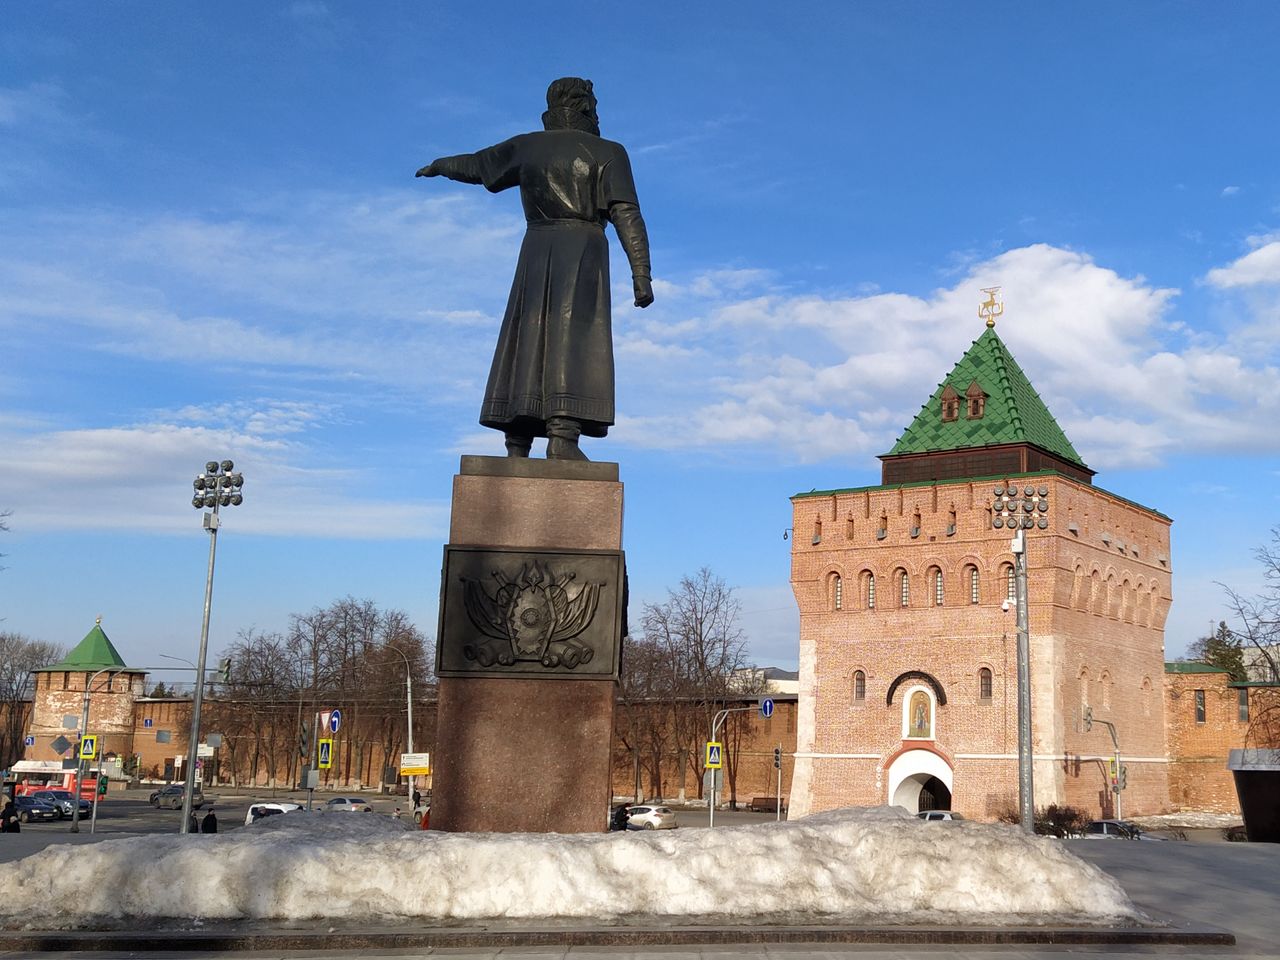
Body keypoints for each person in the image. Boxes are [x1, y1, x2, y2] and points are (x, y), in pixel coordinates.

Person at [417, 77, 653, 460]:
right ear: (586, 107)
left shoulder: (528, 146)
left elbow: (478, 165)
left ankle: (517, 439)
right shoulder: (609, 151)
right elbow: (626, 212)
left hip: (537, 247)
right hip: (583, 248)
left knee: (527, 333)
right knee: (574, 335)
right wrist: (641, 272)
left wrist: (441, 165)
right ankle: (562, 436)